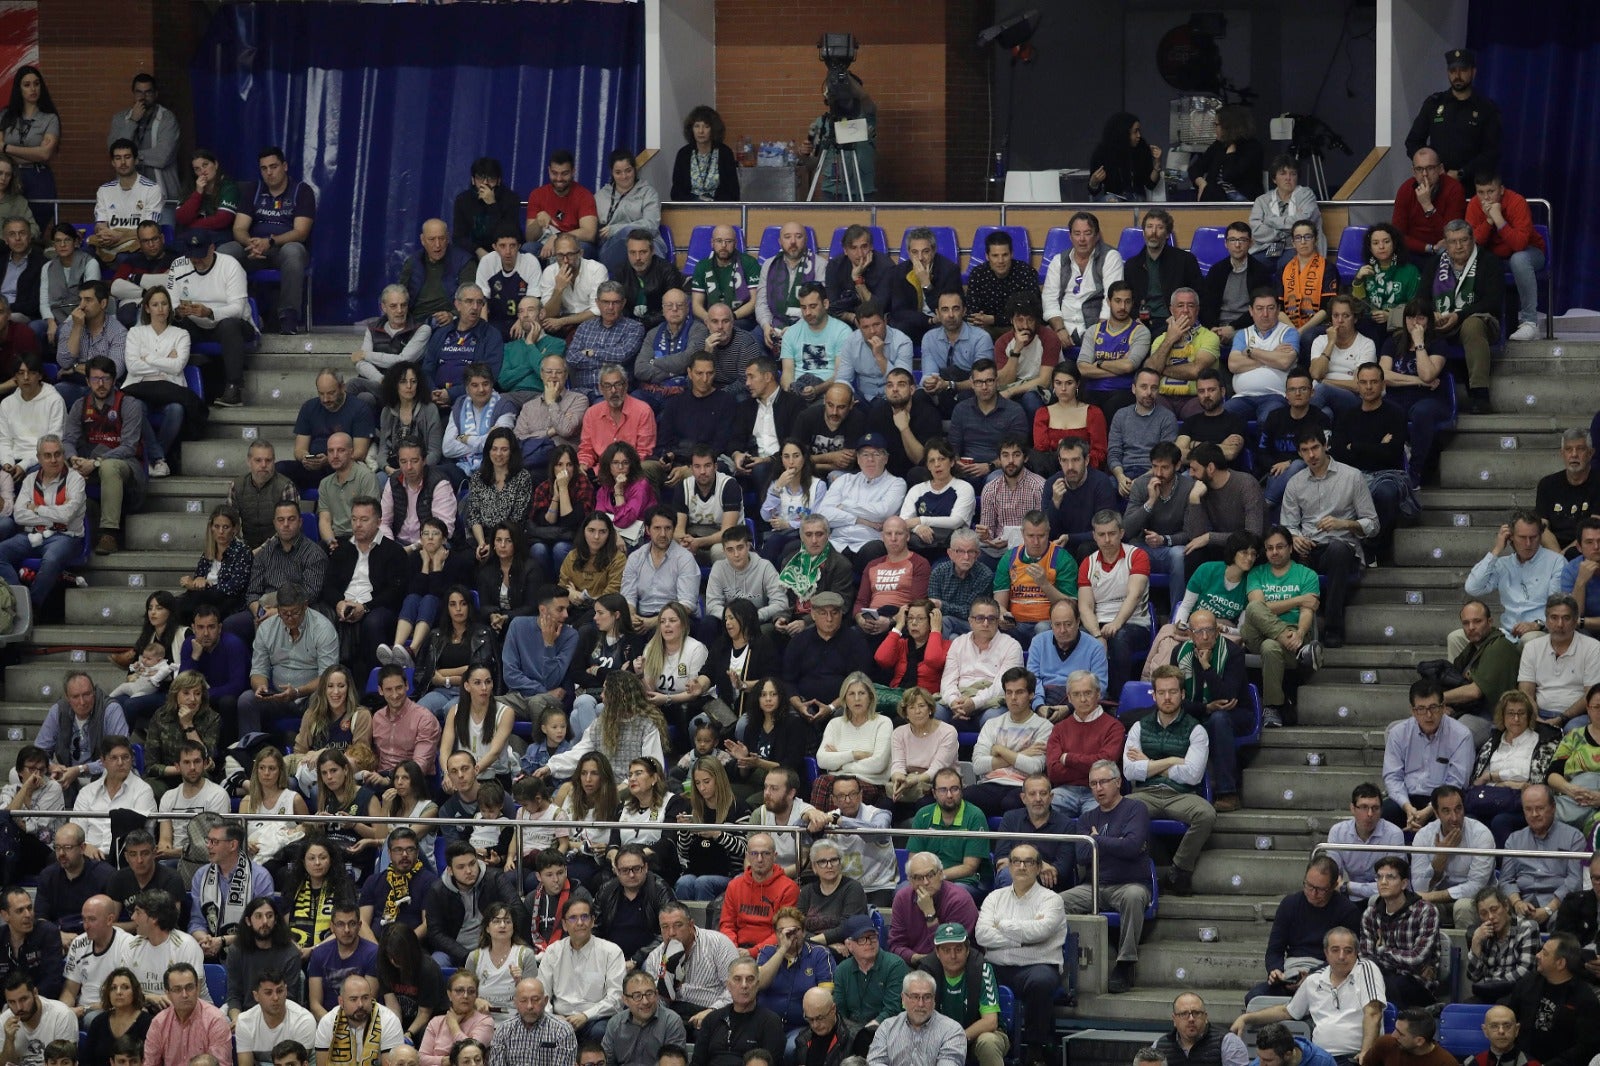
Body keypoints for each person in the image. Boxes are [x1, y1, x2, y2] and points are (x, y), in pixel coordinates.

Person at [1231, 926, 1384, 1066]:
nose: (1342, 956)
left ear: (1357, 952)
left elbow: (1373, 1013)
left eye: (1348, 950)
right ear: (1326, 953)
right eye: (1335, 950)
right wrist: (1246, 1018)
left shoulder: (1366, 969)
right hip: (1318, 1058)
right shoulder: (1314, 980)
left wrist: (1366, 1053)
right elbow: (1287, 1011)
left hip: (1354, 1057)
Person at [1122, 666, 1216, 895]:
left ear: (1182, 694)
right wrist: (1173, 760)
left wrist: (1149, 763)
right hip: (1145, 794)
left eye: (1173, 692)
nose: (1167, 697)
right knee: (1119, 812)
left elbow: (1192, 774)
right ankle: (1135, 872)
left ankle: (1179, 871)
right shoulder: (1139, 727)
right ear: (1153, 695)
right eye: (1162, 692)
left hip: (1182, 795)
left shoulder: (1196, 730)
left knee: (1206, 814)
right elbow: (1129, 771)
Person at [1280, 428, 1376, 647]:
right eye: (1305, 450)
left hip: (1342, 546)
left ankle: (1333, 628)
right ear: (1299, 453)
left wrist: (1345, 523)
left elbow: (1373, 524)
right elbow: (1288, 524)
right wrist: (1294, 537)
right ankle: (1287, 630)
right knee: (1278, 549)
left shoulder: (1351, 476)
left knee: (1337, 549)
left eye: (1315, 448)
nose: (1311, 455)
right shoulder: (1295, 483)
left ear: (1326, 446)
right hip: (1309, 546)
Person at [972, 844, 1064, 1065]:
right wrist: (1023, 939)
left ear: (1039, 867)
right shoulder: (994, 898)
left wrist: (1001, 924)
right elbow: (982, 935)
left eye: (1029, 862)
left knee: (1041, 982)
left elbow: (1041, 931)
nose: (1022, 866)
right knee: (971, 973)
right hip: (997, 967)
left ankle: (1036, 1050)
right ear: (1009, 866)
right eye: (1016, 861)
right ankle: (974, 1041)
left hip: (1038, 966)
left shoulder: (1052, 900)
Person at [1329, 362, 1412, 563]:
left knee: (1385, 492)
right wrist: (1376, 446)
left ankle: (1375, 549)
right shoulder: (1347, 415)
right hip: (1353, 475)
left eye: (1373, 382)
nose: (1368, 387)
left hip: (1388, 474)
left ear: (1382, 384)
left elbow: (1391, 454)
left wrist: (1355, 447)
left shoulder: (1395, 413)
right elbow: (1338, 453)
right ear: (1357, 384)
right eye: (1364, 382)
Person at [1247, 857, 1361, 1001]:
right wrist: (1275, 971)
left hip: (1328, 976)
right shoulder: (1290, 904)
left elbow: (1347, 957)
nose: (1313, 893)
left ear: (1333, 887)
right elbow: (1275, 949)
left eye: (1320, 890)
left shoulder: (1347, 911)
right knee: (1254, 998)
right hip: (1291, 972)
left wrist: (1312, 975)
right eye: (1309, 886)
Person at [235, 583, 339, 740]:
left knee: (325, 698)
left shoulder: (323, 629)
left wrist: (297, 692)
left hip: (310, 697)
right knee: (247, 700)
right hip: (276, 696)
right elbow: (258, 669)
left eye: (295, 613)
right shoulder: (267, 628)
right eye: (284, 613)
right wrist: (261, 687)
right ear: (278, 609)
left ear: (305, 606)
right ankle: (252, 755)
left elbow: (328, 677)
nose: (289, 618)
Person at [230, 147, 315, 335]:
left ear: (284, 166)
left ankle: (288, 317)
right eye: (264, 168)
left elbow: (301, 232)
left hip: (282, 249)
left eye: (274, 166)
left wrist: (270, 241)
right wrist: (250, 242)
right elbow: (239, 228)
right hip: (254, 248)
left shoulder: (302, 191)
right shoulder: (253, 189)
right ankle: (228, 314)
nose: (269, 172)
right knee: (227, 251)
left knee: (293, 251)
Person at [165, 232, 250, 408]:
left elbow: (237, 309)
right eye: (192, 257)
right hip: (195, 323)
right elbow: (171, 302)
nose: (197, 261)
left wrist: (210, 312)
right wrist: (179, 312)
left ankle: (234, 388)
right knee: (174, 323)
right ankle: (171, 383)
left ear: (212, 249)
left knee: (229, 325)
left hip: (230, 323)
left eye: (201, 256)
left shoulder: (230, 265)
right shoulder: (177, 266)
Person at [1380, 679, 1475, 830]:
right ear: (1413, 711)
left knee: (1453, 817)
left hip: (1442, 801)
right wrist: (1407, 808)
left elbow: (1456, 781)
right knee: (1379, 815)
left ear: (1443, 707)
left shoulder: (1461, 735)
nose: (1428, 715)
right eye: (1421, 709)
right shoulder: (1398, 733)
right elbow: (1392, 777)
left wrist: (1430, 810)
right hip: (1406, 799)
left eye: (1433, 707)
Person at [1433, 219, 1505, 415]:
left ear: (1473, 240)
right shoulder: (1436, 263)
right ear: (1445, 244)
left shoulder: (1488, 262)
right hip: (1443, 322)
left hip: (1481, 321)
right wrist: (1433, 313)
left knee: (1471, 325)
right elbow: (1422, 297)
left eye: (1463, 240)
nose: (1458, 246)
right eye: (1453, 241)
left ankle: (1480, 394)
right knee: (1418, 323)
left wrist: (1459, 315)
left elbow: (1492, 302)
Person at [0, 434, 80, 607]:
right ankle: (18, 604)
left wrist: (36, 508)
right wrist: (55, 512)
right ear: (39, 458)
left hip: (64, 536)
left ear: (63, 454)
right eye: (48, 455)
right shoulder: (30, 479)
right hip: (31, 534)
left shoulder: (75, 480)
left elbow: (67, 516)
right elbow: (19, 515)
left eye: (58, 454)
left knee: (51, 559)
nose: (53, 460)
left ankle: (32, 607)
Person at [1494, 934, 1598, 1066]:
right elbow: (1511, 1017)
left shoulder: (1585, 999)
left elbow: (1585, 1048)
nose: (1537, 955)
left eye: (1545, 953)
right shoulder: (1528, 982)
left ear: (1560, 963)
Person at [1403, 48, 1502, 187]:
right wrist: (1429, 168)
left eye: (1463, 70)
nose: (1457, 75)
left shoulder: (1486, 108)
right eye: (1452, 71)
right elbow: (1413, 142)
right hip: (1436, 185)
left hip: (1472, 186)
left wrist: (1462, 173)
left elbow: (1491, 152)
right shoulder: (1434, 103)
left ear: (1473, 72)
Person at [1358, 857, 1442, 1008]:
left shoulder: (1425, 911)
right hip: (1381, 977)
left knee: (1391, 984)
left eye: (1390, 877)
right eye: (1379, 877)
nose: (1383, 882)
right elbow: (1366, 960)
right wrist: (1395, 961)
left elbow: (1417, 958)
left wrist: (1382, 950)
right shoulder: (1370, 914)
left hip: (1418, 984)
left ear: (1404, 883)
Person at [538, 896, 624, 1040]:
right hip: (560, 1018)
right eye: (572, 918)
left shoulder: (611, 952)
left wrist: (585, 1015)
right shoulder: (553, 952)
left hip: (596, 1019)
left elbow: (616, 998)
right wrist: (552, 1017)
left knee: (600, 1032)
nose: (579, 923)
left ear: (592, 921)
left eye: (585, 917)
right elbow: (542, 992)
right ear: (564, 924)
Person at [1500, 784, 1586, 929]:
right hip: (1523, 902)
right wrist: (1517, 903)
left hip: (1559, 904)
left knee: (1565, 919)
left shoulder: (1574, 837)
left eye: (1540, 808)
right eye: (1528, 809)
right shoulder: (1514, 839)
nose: (1534, 814)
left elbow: (1575, 881)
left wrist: (1549, 909)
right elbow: (1506, 880)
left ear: (1553, 807)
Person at [830, 914, 906, 1052]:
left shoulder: (895, 965)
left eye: (872, 937)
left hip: (887, 1031)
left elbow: (893, 1009)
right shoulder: (842, 969)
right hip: (850, 1031)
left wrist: (867, 1032)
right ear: (849, 945)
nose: (869, 943)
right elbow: (839, 1009)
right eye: (862, 939)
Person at [903, 778, 990, 897]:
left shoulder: (975, 815)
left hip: (964, 881)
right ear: (934, 793)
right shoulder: (923, 815)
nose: (949, 795)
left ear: (962, 790)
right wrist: (927, 879)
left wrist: (935, 878)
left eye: (954, 789)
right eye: (943, 790)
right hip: (926, 878)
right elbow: (914, 860)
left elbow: (969, 867)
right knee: (902, 892)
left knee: (952, 894)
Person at [1123, 210, 1202, 336]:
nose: (1153, 232)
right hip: (1141, 322)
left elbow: (1198, 295)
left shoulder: (1185, 260)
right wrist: (1134, 319)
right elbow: (1128, 299)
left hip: (1173, 320)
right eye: (1149, 227)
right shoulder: (1132, 265)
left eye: (1159, 227)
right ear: (1144, 232)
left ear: (1167, 234)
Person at [865, 970, 966, 1066]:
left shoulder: (952, 1031)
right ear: (903, 998)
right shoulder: (887, 1028)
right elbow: (874, 1062)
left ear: (934, 1000)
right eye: (914, 997)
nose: (921, 1004)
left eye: (927, 997)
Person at [1324, 783, 1405, 903]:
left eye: (1375, 808)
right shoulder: (1338, 832)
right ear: (1352, 808)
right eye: (1363, 807)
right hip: (1348, 898)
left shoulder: (1394, 834)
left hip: (1385, 899)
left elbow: (1392, 884)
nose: (1370, 814)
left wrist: (1348, 887)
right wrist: (1343, 887)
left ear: (1381, 810)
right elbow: (1332, 878)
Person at [86, 139, 163, 265]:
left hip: (138, 246)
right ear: (112, 162)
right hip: (109, 243)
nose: (122, 162)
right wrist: (104, 234)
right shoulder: (104, 190)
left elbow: (150, 229)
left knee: (123, 259)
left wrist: (120, 236)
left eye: (127, 157)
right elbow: (100, 224)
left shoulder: (151, 189)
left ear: (136, 160)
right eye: (118, 158)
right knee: (84, 256)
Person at [142, 963, 231, 1066]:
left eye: (189, 987)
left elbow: (221, 1064)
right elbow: (149, 1063)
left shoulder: (215, 1020)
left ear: (197, 989)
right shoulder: (159, 1022)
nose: (184, 995)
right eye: (177, 989)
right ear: (168, 994)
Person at [1391, 149, 1467, 269]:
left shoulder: (1454, 189)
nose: (1425, 174)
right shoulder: (1405, 190)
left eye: (1430, 168)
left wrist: (1427, 206)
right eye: (1419, 169)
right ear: (1413, 172)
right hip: (1414, 250)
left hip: (1444, 251)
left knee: (1449, 253)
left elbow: (1451, 234)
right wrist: (1428, 248)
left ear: (1440, 169)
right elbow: (1397, 235)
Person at [1464, 886, 1539, 1001]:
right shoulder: (1483, 933)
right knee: (1465, 1007)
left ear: (1506, 906)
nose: (1490, 917)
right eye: (1483, 913)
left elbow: (1525, 972)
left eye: (1494, 909)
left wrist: (1493, 985)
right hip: (1488, 993)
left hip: (1516, 994)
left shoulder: (1527, 928)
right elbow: (1473, 976)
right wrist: (1476, 943)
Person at [313, 974, 404, 1066]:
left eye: (365, 998)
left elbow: (390, 1063)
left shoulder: (389, 1021)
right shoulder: (328, 1022)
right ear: (341, 1001)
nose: (360, 1004)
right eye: (353, 999)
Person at [1249, 157, 1323, 267]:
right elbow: (1257, 231)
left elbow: (1304, 223)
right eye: (1283, 174)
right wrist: (1286, 232)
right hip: (1267, 248)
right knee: (1250, 264)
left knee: (1286, 266)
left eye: (1293, 174)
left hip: (1296, 247)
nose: (1288, 178)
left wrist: (1270, 221)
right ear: (1274, 179)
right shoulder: (1262, 200)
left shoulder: (1306, 195)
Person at [964, 231, 1041, 337]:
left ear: (1012, 254)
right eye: (995, 256)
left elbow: (1031, 311)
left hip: (1018, 327)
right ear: (987, 256)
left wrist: (994, 320)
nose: (1000, 261)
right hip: (985, 329)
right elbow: (971, 313)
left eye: (1005, 255)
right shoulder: (978, 274)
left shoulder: (1026, 272)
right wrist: (981, 319)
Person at [236, 970, 317, 1066]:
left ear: (286, 991)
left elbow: (296, 1063)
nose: (275, 998)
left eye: (279, 991)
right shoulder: (244, 1021)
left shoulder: (304, 1020)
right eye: (268, 993)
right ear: (256, 996)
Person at [1086, 113, 1162, 202]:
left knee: (1139, 199)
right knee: (1111, 200)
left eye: (1139, 131)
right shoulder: (1102, 152)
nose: (1139, 135)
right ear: (1124, 133)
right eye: (1135, 131)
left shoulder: (1141, 148)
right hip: (1112, 199)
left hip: (1136, 199)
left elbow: (1150, 184)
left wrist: (1157, 164)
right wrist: (1093, 182)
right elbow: (1093, 191)